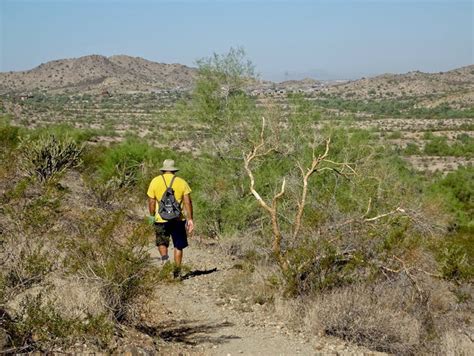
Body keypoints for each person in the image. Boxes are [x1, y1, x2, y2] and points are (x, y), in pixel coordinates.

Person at [147, 159, 194, 270]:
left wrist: (152, 216)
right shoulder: (181, 182)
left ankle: (164, 258)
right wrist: (190, 219)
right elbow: (188, 202)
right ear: (174, 170)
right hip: (178, 219)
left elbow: (151, 201)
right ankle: (177, 270)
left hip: (160, 219)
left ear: (163, 170)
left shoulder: (155, 181)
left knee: (161, 241)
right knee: (178, 245)